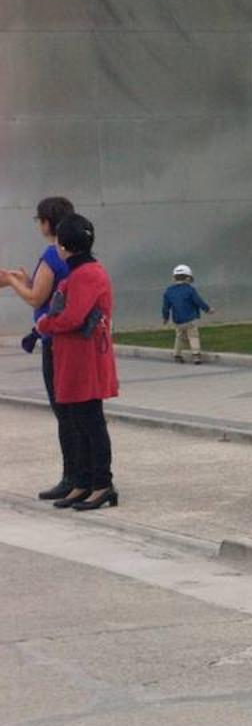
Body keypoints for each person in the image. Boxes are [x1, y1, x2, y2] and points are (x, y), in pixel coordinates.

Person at [34, 213, 119, 511]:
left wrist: (43, 325)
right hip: (71, 358)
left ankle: (102, 484)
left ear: (64, 245)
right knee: (75, 421)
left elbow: (72, 317)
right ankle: (82, 482)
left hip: (86, 359)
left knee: (90, 422)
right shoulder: (78, 273)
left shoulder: (87, 274)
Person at [1, 197, 77, 500]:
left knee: (64, 411)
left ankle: (72, 476)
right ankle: (81, 475)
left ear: (47, 222)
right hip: (70, 339)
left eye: (39, 220)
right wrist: (29, 281)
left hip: (53, 341)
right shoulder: (71, 254)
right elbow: (50, 293)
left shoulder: (51, 253)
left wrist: (11, 281)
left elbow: (36, 299)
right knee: (76, 411)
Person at [161, 264, 213, 363]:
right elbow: (198, 301)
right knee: (193, 336)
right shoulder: (190, 290)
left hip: (178, 321)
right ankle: (196, 355)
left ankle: (177, 355)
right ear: (188, 278)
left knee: (179, 337)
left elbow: (166, 307)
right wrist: (207, 309)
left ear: (173, 278)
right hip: (190, 319)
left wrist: (165, 318)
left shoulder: (169, 291)